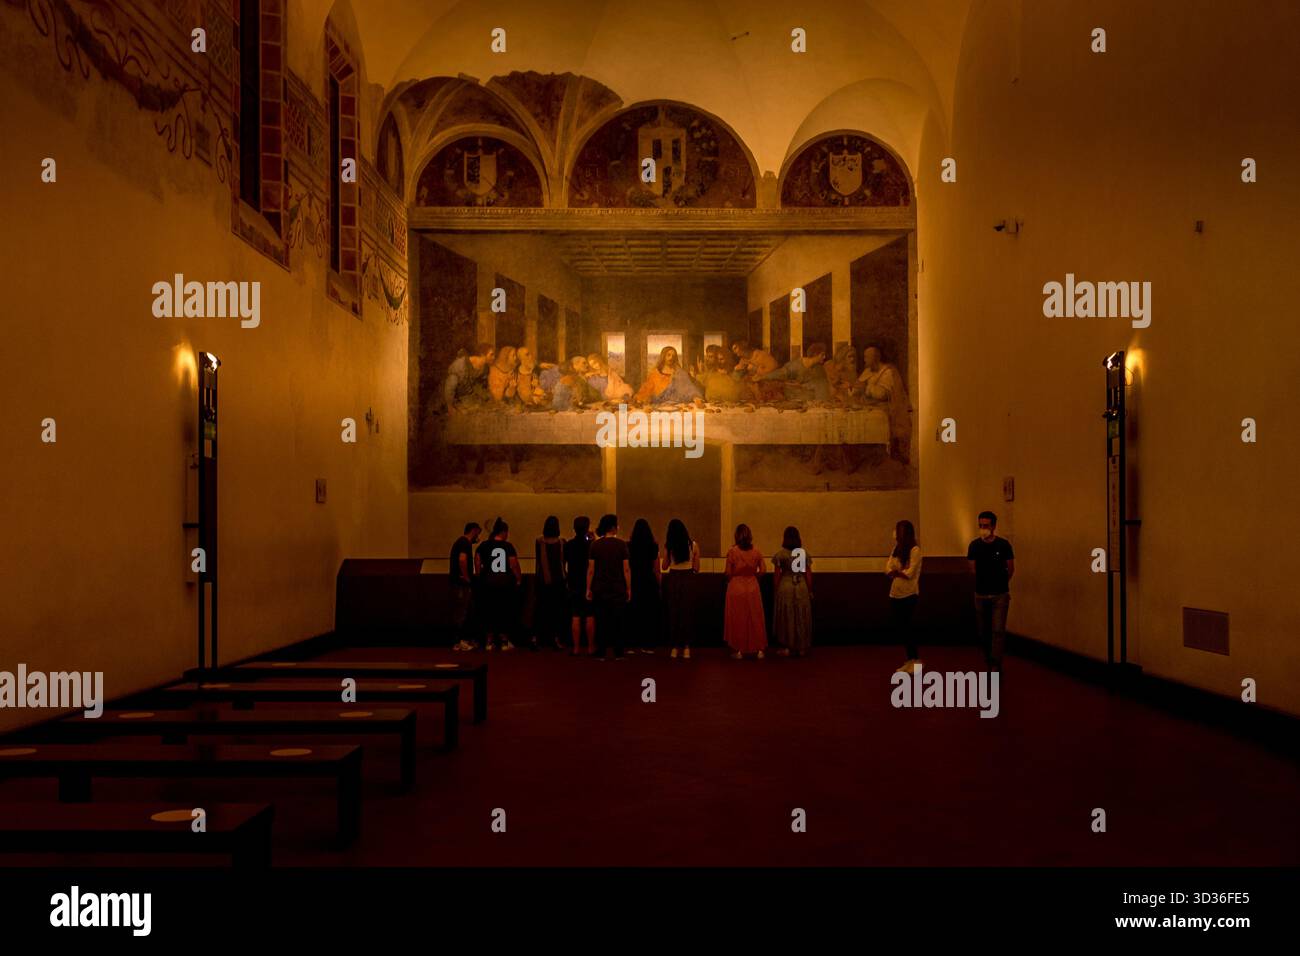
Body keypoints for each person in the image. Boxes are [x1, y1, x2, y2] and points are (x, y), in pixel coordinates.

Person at [967, 511, 1014, 670]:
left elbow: (1010, 568)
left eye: (986, 526)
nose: (983, 529)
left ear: (993, 526)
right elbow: (972, 569)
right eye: (980, 525)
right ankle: (989, 658)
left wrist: (1000, 582)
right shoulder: (974, 545)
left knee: (998, 630)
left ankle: (995, 664)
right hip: (980, 594)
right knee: (983, 631)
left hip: (999, 594)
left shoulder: (1003, 545)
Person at [586, 514, 631, 660]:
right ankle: (619, 652)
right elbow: (626, 569)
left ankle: (601, 651)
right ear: (613, 527)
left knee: (601, 621)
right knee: (618, 621)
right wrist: (628, 588)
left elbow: (591, 569)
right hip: (618, 587)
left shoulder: (595, 545)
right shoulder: (621, 545)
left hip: (600, 587)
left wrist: (588, 588)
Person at [857, 346, 912, 463]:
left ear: (875, 358)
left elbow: (882, 394)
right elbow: (858, 386)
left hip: (886, 408)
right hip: (870, 407)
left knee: (875, 421)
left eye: (867, 357)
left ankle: (881, 455)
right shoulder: (868, 371)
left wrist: (868, 389)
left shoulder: (888, 372)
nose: (864, 360)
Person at [474, 518, 522, 651]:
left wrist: (479, 575)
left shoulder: (484, 545)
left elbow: (477, 559)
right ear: (504, 532)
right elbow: (514, 564)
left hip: (488, 582)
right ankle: (504, 641)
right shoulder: (508, 546)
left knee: (489, 611)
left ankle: (489, 641)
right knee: (504, 611)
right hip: (504, 583)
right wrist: (518, 579)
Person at [724, 523, 768, 659]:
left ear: (736, 536)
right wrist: (754, 576)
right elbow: (763, 570)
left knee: (738, 618)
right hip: (753, 586)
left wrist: (733, 577)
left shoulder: (732, 551)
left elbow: (728, 572)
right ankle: (759, 649)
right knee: (755, 617)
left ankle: (739, 650)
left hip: (736, 586)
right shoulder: (756, 551)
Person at [886, 520, 923, 672]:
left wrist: (898, 572)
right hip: (895, 593)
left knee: (908, 628)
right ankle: (909, 660)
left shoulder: (915, 550)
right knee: (902, 628)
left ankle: (915, 660)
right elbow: (888, 568)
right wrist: (896, 571)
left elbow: (910, 573)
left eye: (898, 530)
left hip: (909, 594)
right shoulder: (896, 548)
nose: (895, 533)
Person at [771, 526, 813, 657]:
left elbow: (777, 575)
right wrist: (810, 590)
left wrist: (776, 590)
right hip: (801, 586)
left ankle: (787, 647)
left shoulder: (780, 555)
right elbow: (808, 574)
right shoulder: (803, 554)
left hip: (786, 586)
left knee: (787, 616)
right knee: (801, 615)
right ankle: (801, 647)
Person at [661, 518, 700, 659]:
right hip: (688, 579)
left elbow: (664, 566)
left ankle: (674, 648)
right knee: (687, 613)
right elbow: (697, 568)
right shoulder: (693, 545)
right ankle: (687, 648)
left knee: (674, 613)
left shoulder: (669, 546)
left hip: (674, 579)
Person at [627, 518, 661, 654]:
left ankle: (631, 644)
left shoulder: (629, 546)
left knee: (633, 613)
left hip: (634, 580)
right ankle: (648, 644)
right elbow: (656, 568)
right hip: (648, 580)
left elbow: (627, 567)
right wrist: (659, 585)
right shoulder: (653, 546)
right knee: (648, 613)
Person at [533, 516, 567, 651]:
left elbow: (538, 562)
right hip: (559, 580)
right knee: (557, 612)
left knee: (541, 611)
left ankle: (538, 639)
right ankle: (556, 639)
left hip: (542, 580)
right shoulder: (562, 542)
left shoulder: (539, 541)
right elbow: (563, 561)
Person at [564, 516, 596, 655]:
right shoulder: (591, 545)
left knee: (575, 616)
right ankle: (590, 647)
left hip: (574, 582)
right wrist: (593, 538)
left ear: (574, 528)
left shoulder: (569, 545)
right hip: (589, 582)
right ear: (587, 528)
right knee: (590, 615)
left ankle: (576, 648)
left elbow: (563, 563)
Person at [449, 521, 481, 651]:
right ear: (473, 530)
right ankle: (458, 641)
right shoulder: (464, 543)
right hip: (461, 583)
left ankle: (462, 640)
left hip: (458, 582)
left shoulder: (460, 542)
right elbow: (462, 560)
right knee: (462, 612)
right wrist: (467, 577)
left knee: (465, 611)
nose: (478, 537)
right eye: (478, 533)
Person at [762, 343, 831, 402]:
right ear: (815, 354)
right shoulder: (796, 365)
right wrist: (764, 377)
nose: (824, 357)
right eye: (822, 355)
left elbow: (820, 386)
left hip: (812, 398)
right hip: (794, 396)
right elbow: (780, 373)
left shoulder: (819, 369)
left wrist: (804, 386)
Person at [443, 343, 494, 409]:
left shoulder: (485, 368)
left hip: (470, 400)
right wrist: (450, 406)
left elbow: (477, 386)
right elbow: (450, 387)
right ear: (482, 354)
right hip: (455, 401)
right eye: (491, 354)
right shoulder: (460, 365)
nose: (493, 357)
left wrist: (487, 398)